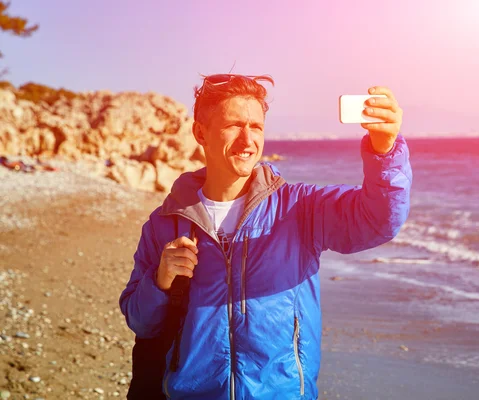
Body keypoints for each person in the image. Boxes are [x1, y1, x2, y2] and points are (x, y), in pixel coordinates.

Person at [119, 74, 413, 400]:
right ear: (200, 132)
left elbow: (378, 220)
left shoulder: (299, 209)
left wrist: (384, 150)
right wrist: (160, 281)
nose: (248, 140)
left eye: (256, 127)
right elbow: (140, 322)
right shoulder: (165, 224)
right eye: (234, 125)